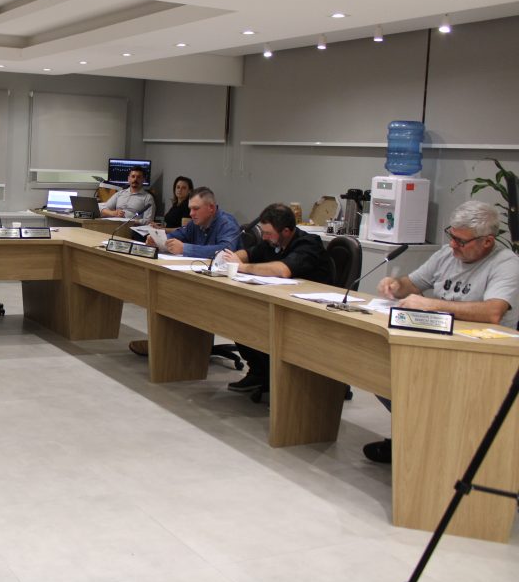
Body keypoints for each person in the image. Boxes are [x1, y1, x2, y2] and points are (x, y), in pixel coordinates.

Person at [362, 200, 519, 464]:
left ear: (487, 242)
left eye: (461, 241)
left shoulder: (507, 264)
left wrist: (433, 304)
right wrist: (395, 285)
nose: (453, 245)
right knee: (382, 369)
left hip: (482, 353)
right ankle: (414, 438)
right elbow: (412, 284)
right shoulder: (447, 254)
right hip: (436, 340)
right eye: (451, 236)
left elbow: (493, 312)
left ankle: (426, 445)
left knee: (412, 379)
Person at [219, 203, 334, 393]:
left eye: (268, 233)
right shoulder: (273, 242)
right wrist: (232, 259)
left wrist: (242, 267)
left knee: (254, 319)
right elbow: (248, 254)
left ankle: (287, 381)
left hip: (312, 311)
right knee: (240, 316)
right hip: (283, 303)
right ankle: (260, 372)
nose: (264, 237)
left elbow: (283, 270)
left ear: (286, 231)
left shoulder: (308, 244)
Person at [129, 187, 241, 355]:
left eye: (196, 209)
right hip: (198, 278)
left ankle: (170, 346)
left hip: (223, 285)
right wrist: (159, 241)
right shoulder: (196, 223)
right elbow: (179, 235)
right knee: (168, 293)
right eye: (190, 209)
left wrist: (186, 248)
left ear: (211, 208)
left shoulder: (227, 223)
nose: (191, 213)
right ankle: (165, 343)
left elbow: (225, 251)